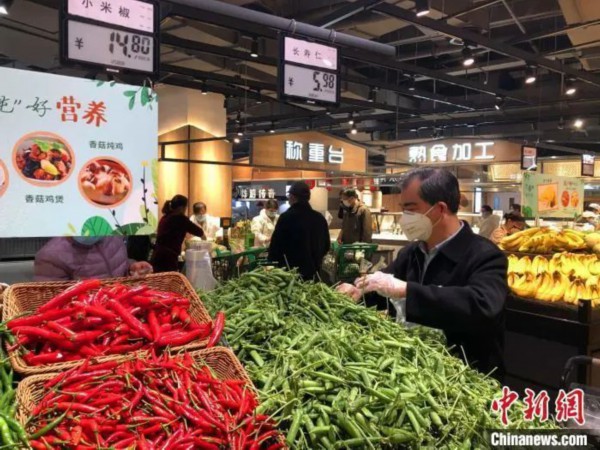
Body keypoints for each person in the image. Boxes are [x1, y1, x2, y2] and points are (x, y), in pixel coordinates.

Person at [337, 168, 508, 378]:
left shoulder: (485, 255)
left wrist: (407, 290)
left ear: (439, 209)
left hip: (466, 377)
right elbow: (383, 290)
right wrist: (360, 292)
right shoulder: (412, 253)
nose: (404, 218)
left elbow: (483, 306)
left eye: (410, 209)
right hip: (416, 373)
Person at [269, 181, 330, 280]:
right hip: (314, 275)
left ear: (293, 197)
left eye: (289, 196)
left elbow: (275, 249)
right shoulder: (320, 219)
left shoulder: (286, 218)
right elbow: (326, 246)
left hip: (290, 277)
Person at [34, 236, 153, 281]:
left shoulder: (114, 235)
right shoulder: (50, 256)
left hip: (123, 309)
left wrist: (132, 268)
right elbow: (53, 304)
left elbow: (119, 264)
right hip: (89, 321)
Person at [151, 195, 205, 273]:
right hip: (168, 258)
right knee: (170, 279)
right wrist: (204, 238)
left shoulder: (165, 217)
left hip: (157, 255)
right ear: (181, 207)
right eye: (186, 207)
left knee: (159, 279)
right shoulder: (180, 219)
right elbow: (198, 231)